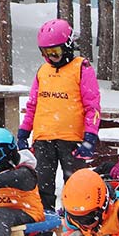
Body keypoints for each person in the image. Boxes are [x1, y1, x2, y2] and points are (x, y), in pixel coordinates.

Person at [18, 18, 101, 216]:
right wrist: (24, 131)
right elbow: (33, 105)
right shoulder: (43, 71)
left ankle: (77, 217)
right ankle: (43, 219)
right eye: (46, 53)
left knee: (74, 183)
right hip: (44, 137)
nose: (51, 58)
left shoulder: (82, 68)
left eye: (55, 52)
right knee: (42, 183)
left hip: (71, 139)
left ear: (68, 46)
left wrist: (90, 137)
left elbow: (93, 107)